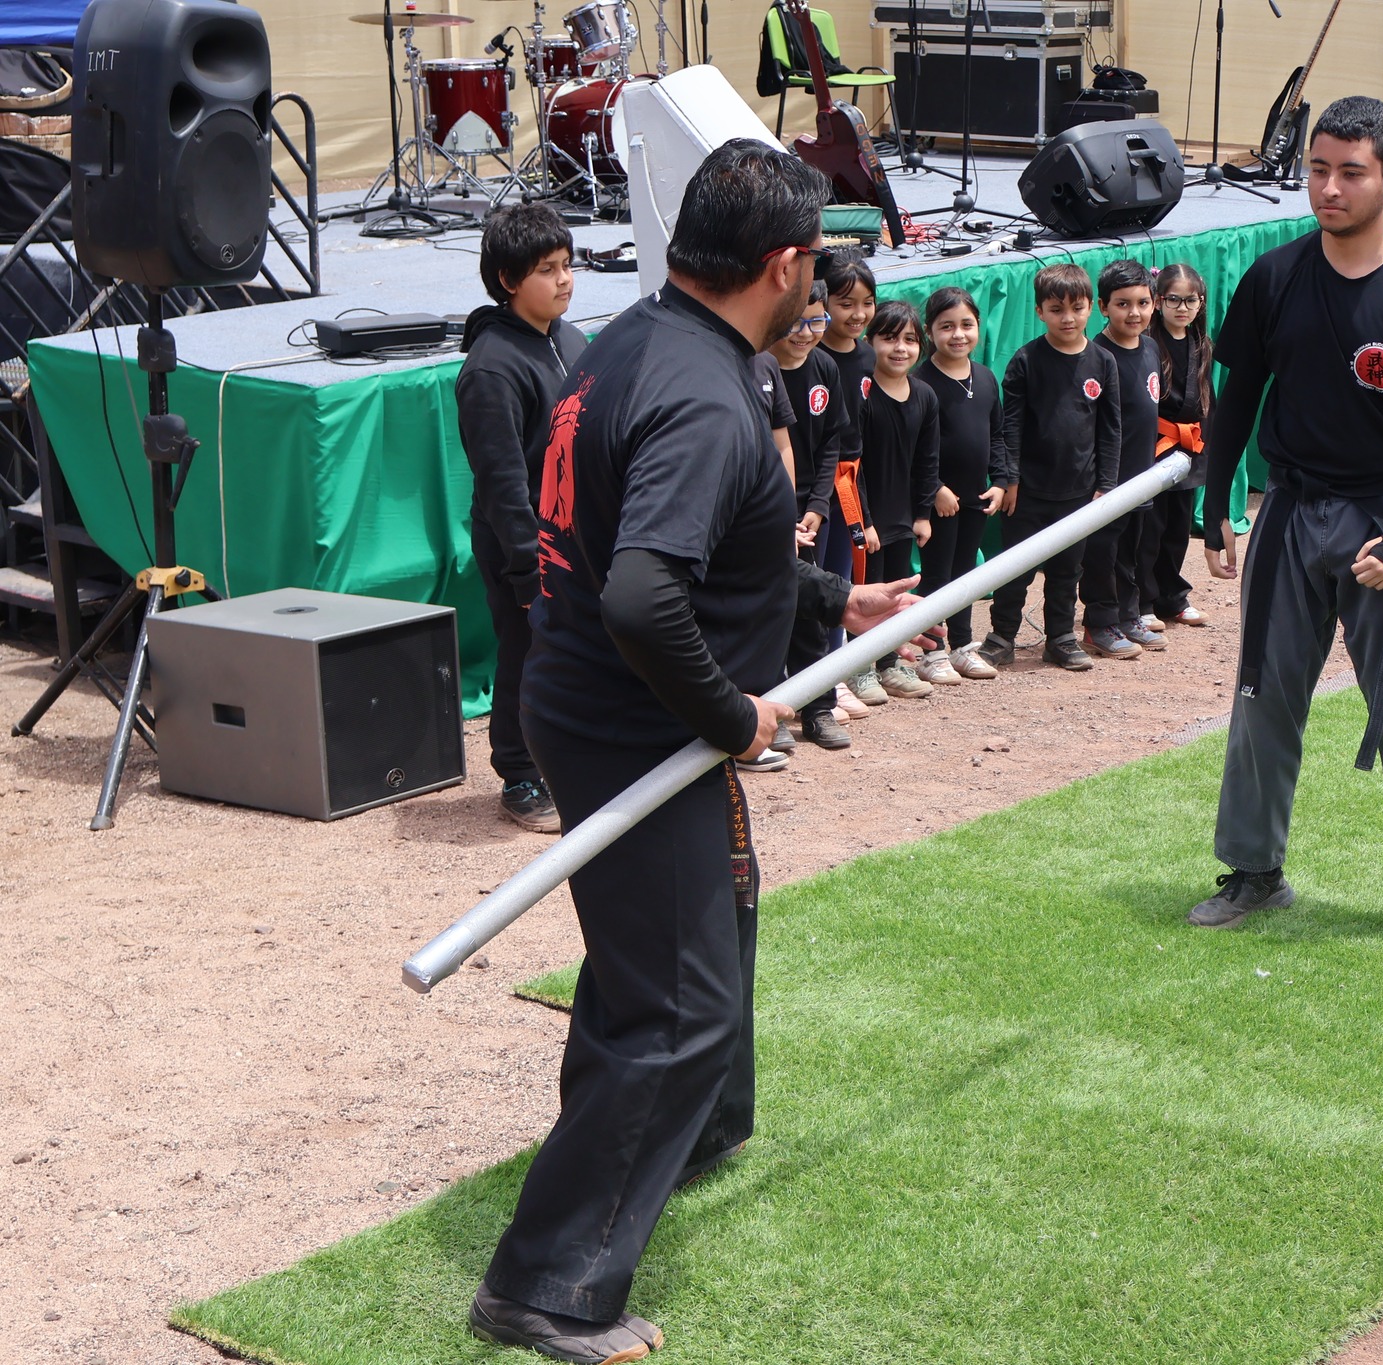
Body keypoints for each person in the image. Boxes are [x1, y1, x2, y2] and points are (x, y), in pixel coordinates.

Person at [469, 140, 925, 1365]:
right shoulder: (709, 401)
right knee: (680, 1008)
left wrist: (831, 601)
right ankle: (546, 1289)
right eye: (814, 269)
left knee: (676, 954)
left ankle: (677, 1146)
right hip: (633, 725)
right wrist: (733, 713)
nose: (821, 291)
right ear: (780, 265)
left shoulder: (636, 335)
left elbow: (702, 546)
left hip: (599, 705)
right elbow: (641, 595)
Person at [1190, 96, 1383, 950]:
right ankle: (1254, 870)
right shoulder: (1274, 277)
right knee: (1262, 698)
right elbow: (1235, 402)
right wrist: (1217, 510)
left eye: (1351, 172)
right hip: (1290, 511)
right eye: (1317, 169)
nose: (1329, 187)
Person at [456, 202, 589, 833]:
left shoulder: (573, 339)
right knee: (527, 649)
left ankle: (571, 760)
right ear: (509, 280)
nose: (564, 279)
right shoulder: (490, 368)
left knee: (578, 649)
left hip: (578, 531)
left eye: (568, 265)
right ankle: (518, 773)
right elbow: (503, 479)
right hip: (523, 539)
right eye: (546, 269)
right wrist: (526, 564)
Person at [982, 263, 1121, 673]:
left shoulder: (1104, 362)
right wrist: (1008, 480)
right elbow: (1011, 426)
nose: (1068, 318)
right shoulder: (1025, 361)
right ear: (1039, 310)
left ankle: (1060, 638)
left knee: (1067, 570)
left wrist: (1106, 486)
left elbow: (1111, 429)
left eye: (1077, 308)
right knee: (1014, 569)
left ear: (1092, 309)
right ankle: (1002, 636)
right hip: (1027, 492)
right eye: (1056, 308)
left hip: (1079, 492)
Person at [770, 281, 858, 747]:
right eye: (794, 323)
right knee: (770, 609)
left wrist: (818, 509)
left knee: (813, 608)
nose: (805, 334)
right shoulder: (759, 369)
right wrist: (779, 516)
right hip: (766, 510)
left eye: (817, 321)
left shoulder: (825, 366)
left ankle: (818, 707)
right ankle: (771, 711)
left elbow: (831, 446)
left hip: (811, 514)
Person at [913, 285, 1006, 682]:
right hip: (938, 501)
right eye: (946, 326)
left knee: (968, 575)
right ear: (929, 331)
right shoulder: (921, 382)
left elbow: (997, 434)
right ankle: (932, 652)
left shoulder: (984, 377)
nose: (958, 334)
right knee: (937, 575)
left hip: (975, 498)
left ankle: (963, 646)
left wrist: (1000, 481)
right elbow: (912, 447)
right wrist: (934, 488)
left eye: (966, 325)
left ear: (978, 327)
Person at [1079, 258, 1164, 659]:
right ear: (1102, 306)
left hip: (1142, 475)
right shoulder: (1096, 355)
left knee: (1132, 549)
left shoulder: (1149, 346)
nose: (1135, 313)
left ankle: (1130, 615)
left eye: (1143, 303)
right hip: (1108, 482)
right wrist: (1101, 481)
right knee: (1103, 553)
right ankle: (1099, 623)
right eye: (1123, 304)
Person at [857, 300, 941, 697]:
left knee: (894, 596)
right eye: (888, 338)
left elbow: (928, 461)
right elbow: (850, 466)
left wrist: (922, 514)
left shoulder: (924, 396)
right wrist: (865, 521)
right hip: (866, 521)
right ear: (869, 340)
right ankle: (858, 669)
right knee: (865, 594)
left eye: (909, 340)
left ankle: (889, 664)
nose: (900, 348)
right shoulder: (861, 392)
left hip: (903, 518)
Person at [817, 255, 886, 709]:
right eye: (846, 304)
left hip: (851, 482)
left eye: (867, 303)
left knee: (841, 577)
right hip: (817, 484)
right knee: (815, 578)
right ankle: (810, 679)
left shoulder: (866, 354)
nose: (858, 314)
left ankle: (835, 672)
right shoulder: (811, 353)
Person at [1135, 262, 1213, 631]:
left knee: (1178, 527)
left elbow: (1206, 398)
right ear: (1158, 301)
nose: (1182, 308)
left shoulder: (1202, 344)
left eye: (1191, 300)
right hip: (1155, 446)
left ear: (1201, 303)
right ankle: (1144, 600)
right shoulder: (1148, 345)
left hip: (1189, 446)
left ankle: (1172, 596)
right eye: (1173, 300)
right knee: (1151, 526)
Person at [740, 350, 800, 772]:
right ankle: (738, 730)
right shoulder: (699, 359)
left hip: (765, 514)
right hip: (723, 515)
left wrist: (786, 515)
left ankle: (765, 719)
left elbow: (782, 444)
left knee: (769, 616)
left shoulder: (765, 363)